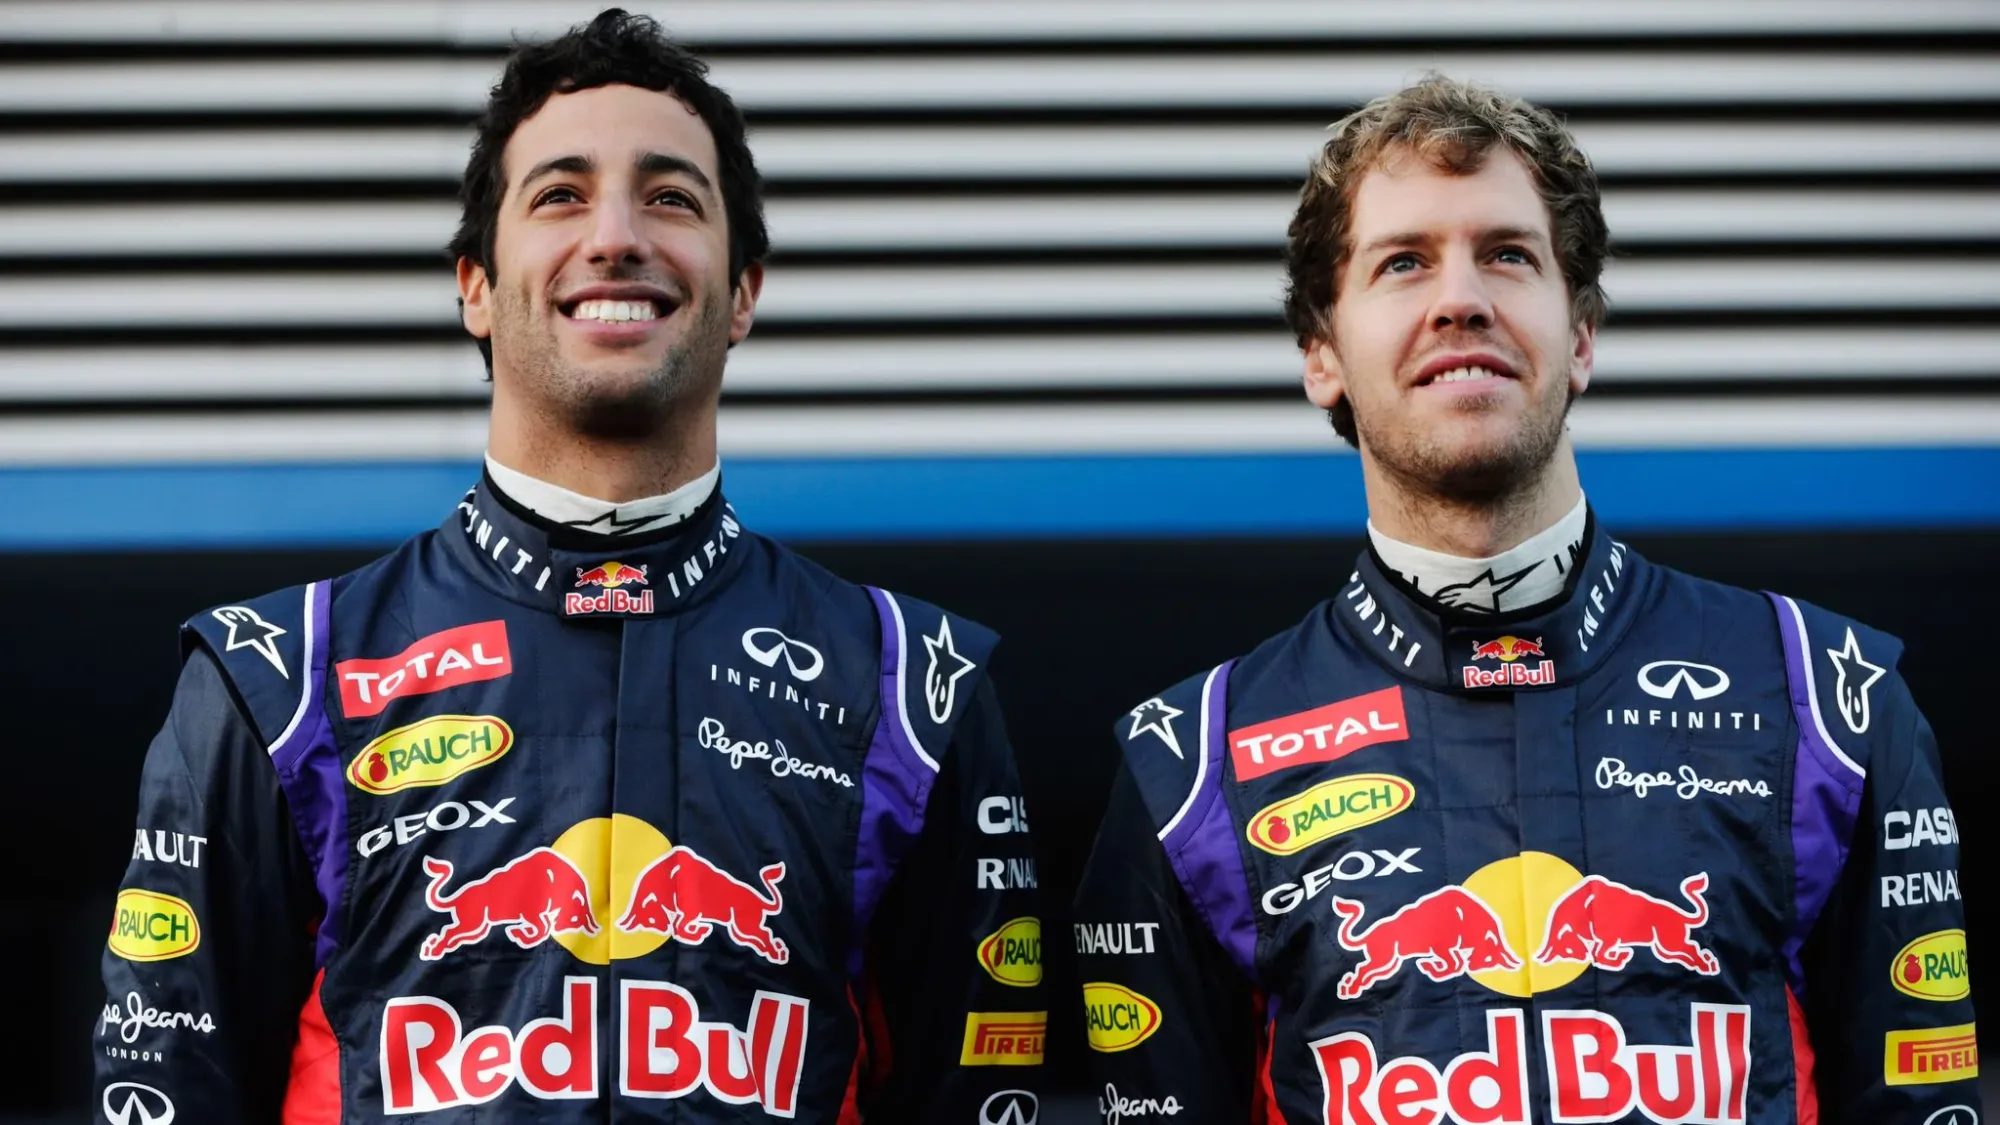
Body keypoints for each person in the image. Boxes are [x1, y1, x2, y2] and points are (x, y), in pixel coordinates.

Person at [93, 11, 1045, 1123]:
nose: (615, 237)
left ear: (741, 292)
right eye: (558, 195)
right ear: (476, 289)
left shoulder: (909, 684)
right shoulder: (277, 679)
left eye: (672, 198)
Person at [1072, 76, 1977, 1125]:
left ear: (1580, 335)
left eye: (1506, 253)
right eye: (1401, 262)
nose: (1459, 298)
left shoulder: (1829, 701)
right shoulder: (1188, 763)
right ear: (1321, 356)